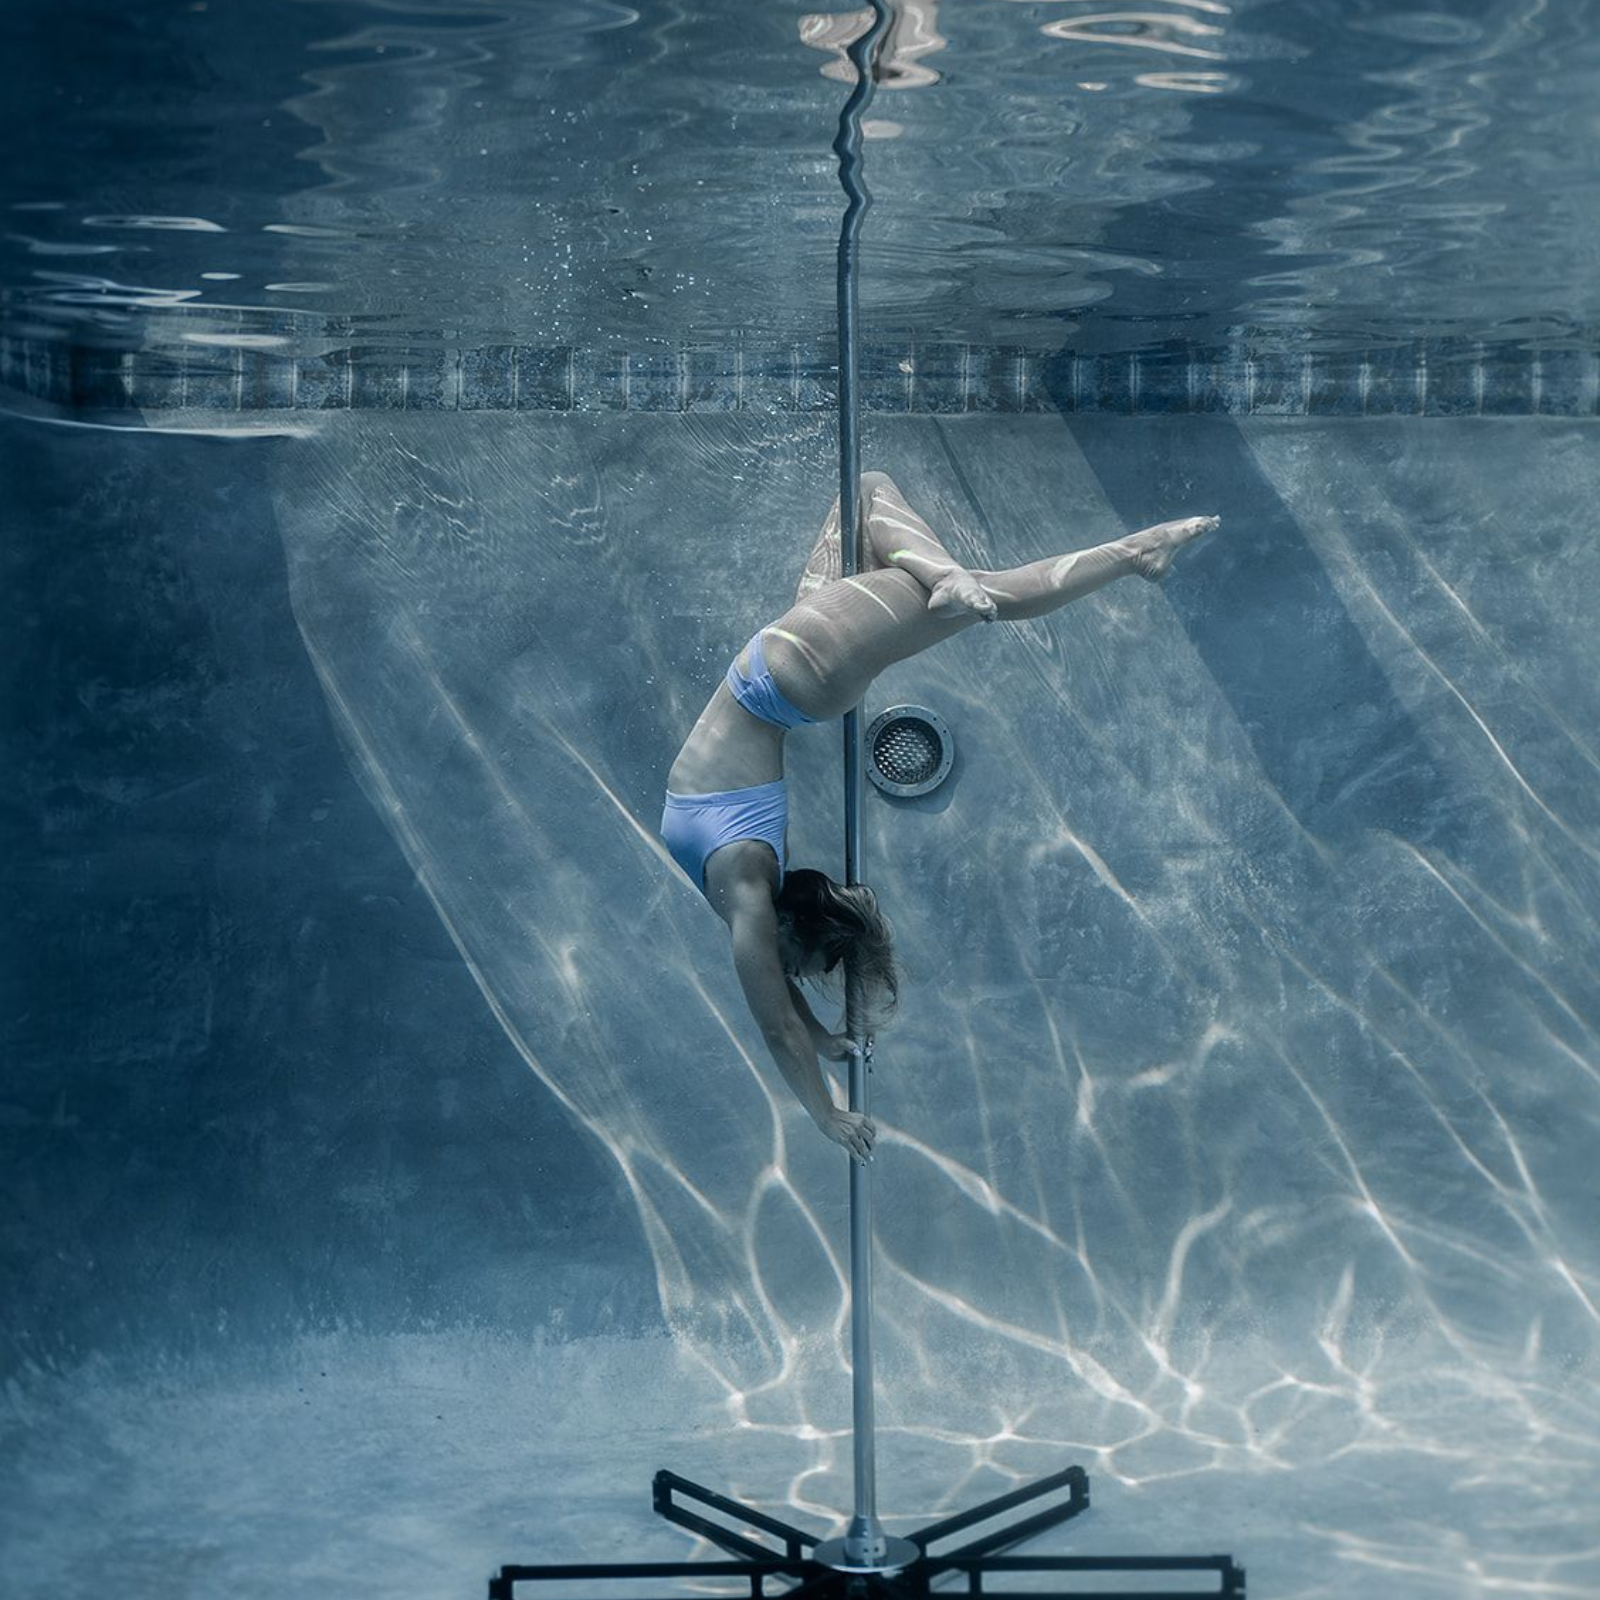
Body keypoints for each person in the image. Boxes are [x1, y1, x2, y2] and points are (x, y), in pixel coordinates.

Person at [661, 472, 1217, 1164]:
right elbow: (780, 1010)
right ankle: (1101, 557)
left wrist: (826, 1088)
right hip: (792, 670)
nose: (796, 975)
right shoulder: (745, 897)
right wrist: (827, 1077)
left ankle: (1070, 560)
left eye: (804, 968)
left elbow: (779, 1018)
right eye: (804, 967)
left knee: (906, 528)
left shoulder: (747, 891)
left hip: (796, 671)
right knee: (924, 541)